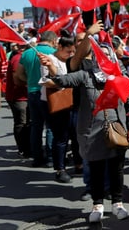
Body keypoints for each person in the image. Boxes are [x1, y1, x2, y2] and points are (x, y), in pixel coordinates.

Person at [41, 22, 129, 223]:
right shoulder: (86, 75)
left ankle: (118, 204)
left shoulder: (120, 77)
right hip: (91, 130)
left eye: (107, 54)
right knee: (95, 168)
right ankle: (97, 205)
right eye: (99, 55)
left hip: (117, 128)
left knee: (116, 168)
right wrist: (51, 66)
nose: (103, 58)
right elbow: (63, 80)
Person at [15, 30, 57, 167]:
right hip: (49, 92)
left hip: (32, 92)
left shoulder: (26, 53)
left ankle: (37, 157)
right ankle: (51, 157)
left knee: (36, 126)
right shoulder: (54, 52)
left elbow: (19, 74)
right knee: (51, 126)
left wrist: (29, 82)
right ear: (53, 40)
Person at [39, 33, 76, 183]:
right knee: (60, 136)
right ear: (59, 46)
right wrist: (60, 77)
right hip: (54, 103)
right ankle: (60, 169)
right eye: (68, 51)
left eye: (73, 51)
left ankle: (76, 162)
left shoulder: (72, 61)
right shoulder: (49, 60)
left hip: (72, 102)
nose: (71, 54)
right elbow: (48, 81)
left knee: (74, 134)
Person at [5, 42, 30, 157]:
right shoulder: (17, 58)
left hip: (24, 96)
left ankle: (26, 147)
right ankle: (23, 148)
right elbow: (16, 78)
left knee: (26, 122)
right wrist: (30, 83)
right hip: (18, 97)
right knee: (21, 122)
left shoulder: (21, 57)